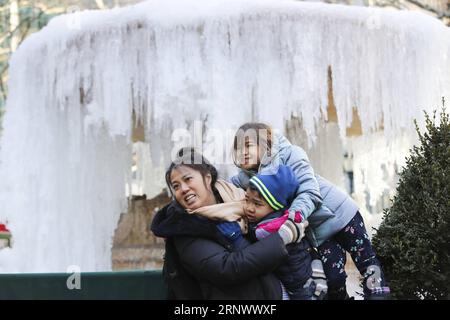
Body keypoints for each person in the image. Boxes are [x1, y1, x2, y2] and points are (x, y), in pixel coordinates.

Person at [231, 122, 390, 300]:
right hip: (319, 233)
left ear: (265, 143)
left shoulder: (290, 154)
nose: (242, 152)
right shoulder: (246, 178)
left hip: (341, 215)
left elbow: (310, 191)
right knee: (333, 277)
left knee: (366, 261)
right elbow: (225, 187)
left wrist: (294, 219)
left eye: (248, 145)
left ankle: (379, 296)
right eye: (237, 147)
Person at [150, 147, 306, 299]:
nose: (183, 189)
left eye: (188, 179)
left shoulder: (238, 196)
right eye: (176, 186)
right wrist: (283, 237)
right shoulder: (183, 229)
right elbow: (227, 268)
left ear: (207, 177)